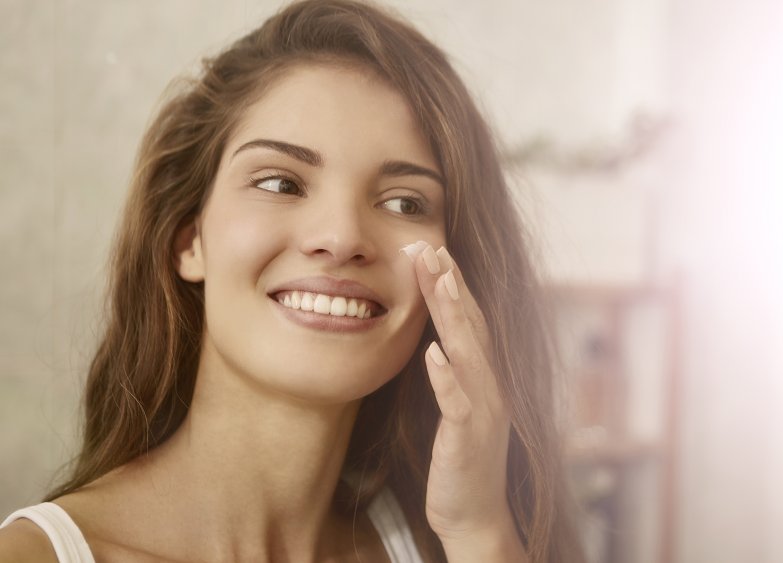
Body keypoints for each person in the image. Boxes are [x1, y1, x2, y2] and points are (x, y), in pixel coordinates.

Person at [0, 1, 582, 561]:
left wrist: (480, 534)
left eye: (405, 202)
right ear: (189, 239)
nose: (342, 236)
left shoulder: (458, 541)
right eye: (281, 183)